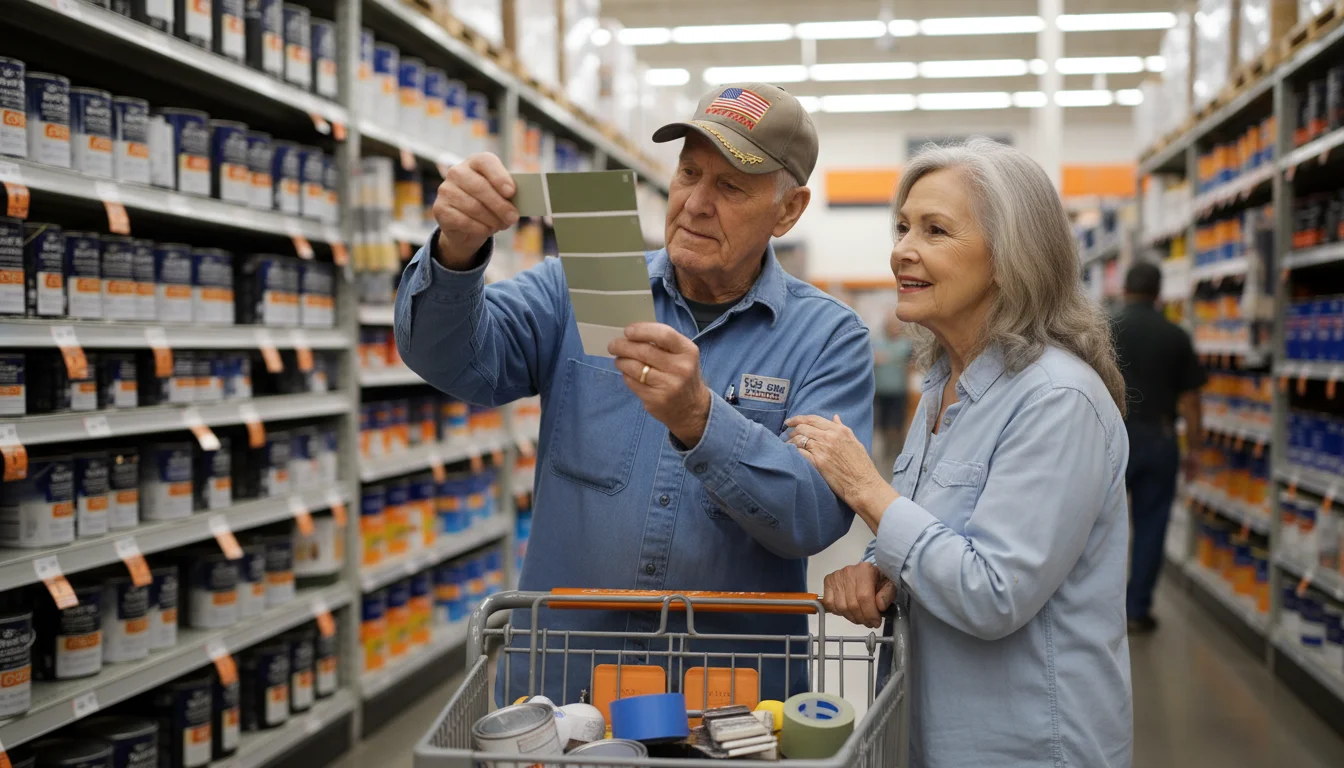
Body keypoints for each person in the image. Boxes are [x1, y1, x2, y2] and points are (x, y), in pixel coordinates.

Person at [394, 83, 874, 704]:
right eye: (689, 173)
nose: (697, 203)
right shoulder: (589, 282)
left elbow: (812, 516)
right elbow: (450, 361)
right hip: (560, 694)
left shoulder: (826, 338)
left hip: (726, 709)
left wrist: (702, 421)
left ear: (788, 211)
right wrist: (457, 252)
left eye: (730, 187)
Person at [791, 139, 1133, 767]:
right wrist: (879, 567)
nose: (901, 250)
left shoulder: (1057, 400)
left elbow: (994, 591)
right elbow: (936, 529)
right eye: (901, 227)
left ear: (1010, 257)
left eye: (935, 230)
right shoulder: (946, 388)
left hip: (1027, 747)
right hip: (933, 735)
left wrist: (865, 489)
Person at [1112, 262, 1205, 634]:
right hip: (1160, 438)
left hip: (1112, 434)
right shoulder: (1176, 335)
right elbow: (1192, 402)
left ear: (1124, 289)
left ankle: (1099, 610)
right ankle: (1136, 610)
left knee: (1099, 523)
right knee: (1151, 524)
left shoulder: (1107, 328)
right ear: (1159, 294)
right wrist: (1195, 449)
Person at [872, 312, 913, 454]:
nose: (893, 328)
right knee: (881, 424)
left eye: (896, 326)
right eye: (890, 325)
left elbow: (911, 366)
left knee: (897, 423)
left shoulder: (906, 345)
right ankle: (886, 451)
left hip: (899, 391)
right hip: (880, 391)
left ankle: (897, 451)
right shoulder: (876, 343)